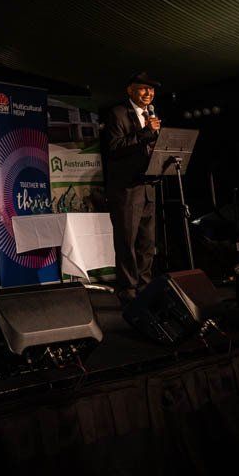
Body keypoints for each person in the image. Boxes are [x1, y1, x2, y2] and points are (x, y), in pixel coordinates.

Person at [101, 72, 162, 306]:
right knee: (127, 242)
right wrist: (147, 132)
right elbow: (114, 148)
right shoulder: (118, 113)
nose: (149, 93)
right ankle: (128, 290)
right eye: (144, 89)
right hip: (126, 190)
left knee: (147, 244)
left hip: (147, 187)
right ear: (130, 90)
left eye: (152, 90)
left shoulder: (151, 115)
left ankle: (145, 288)